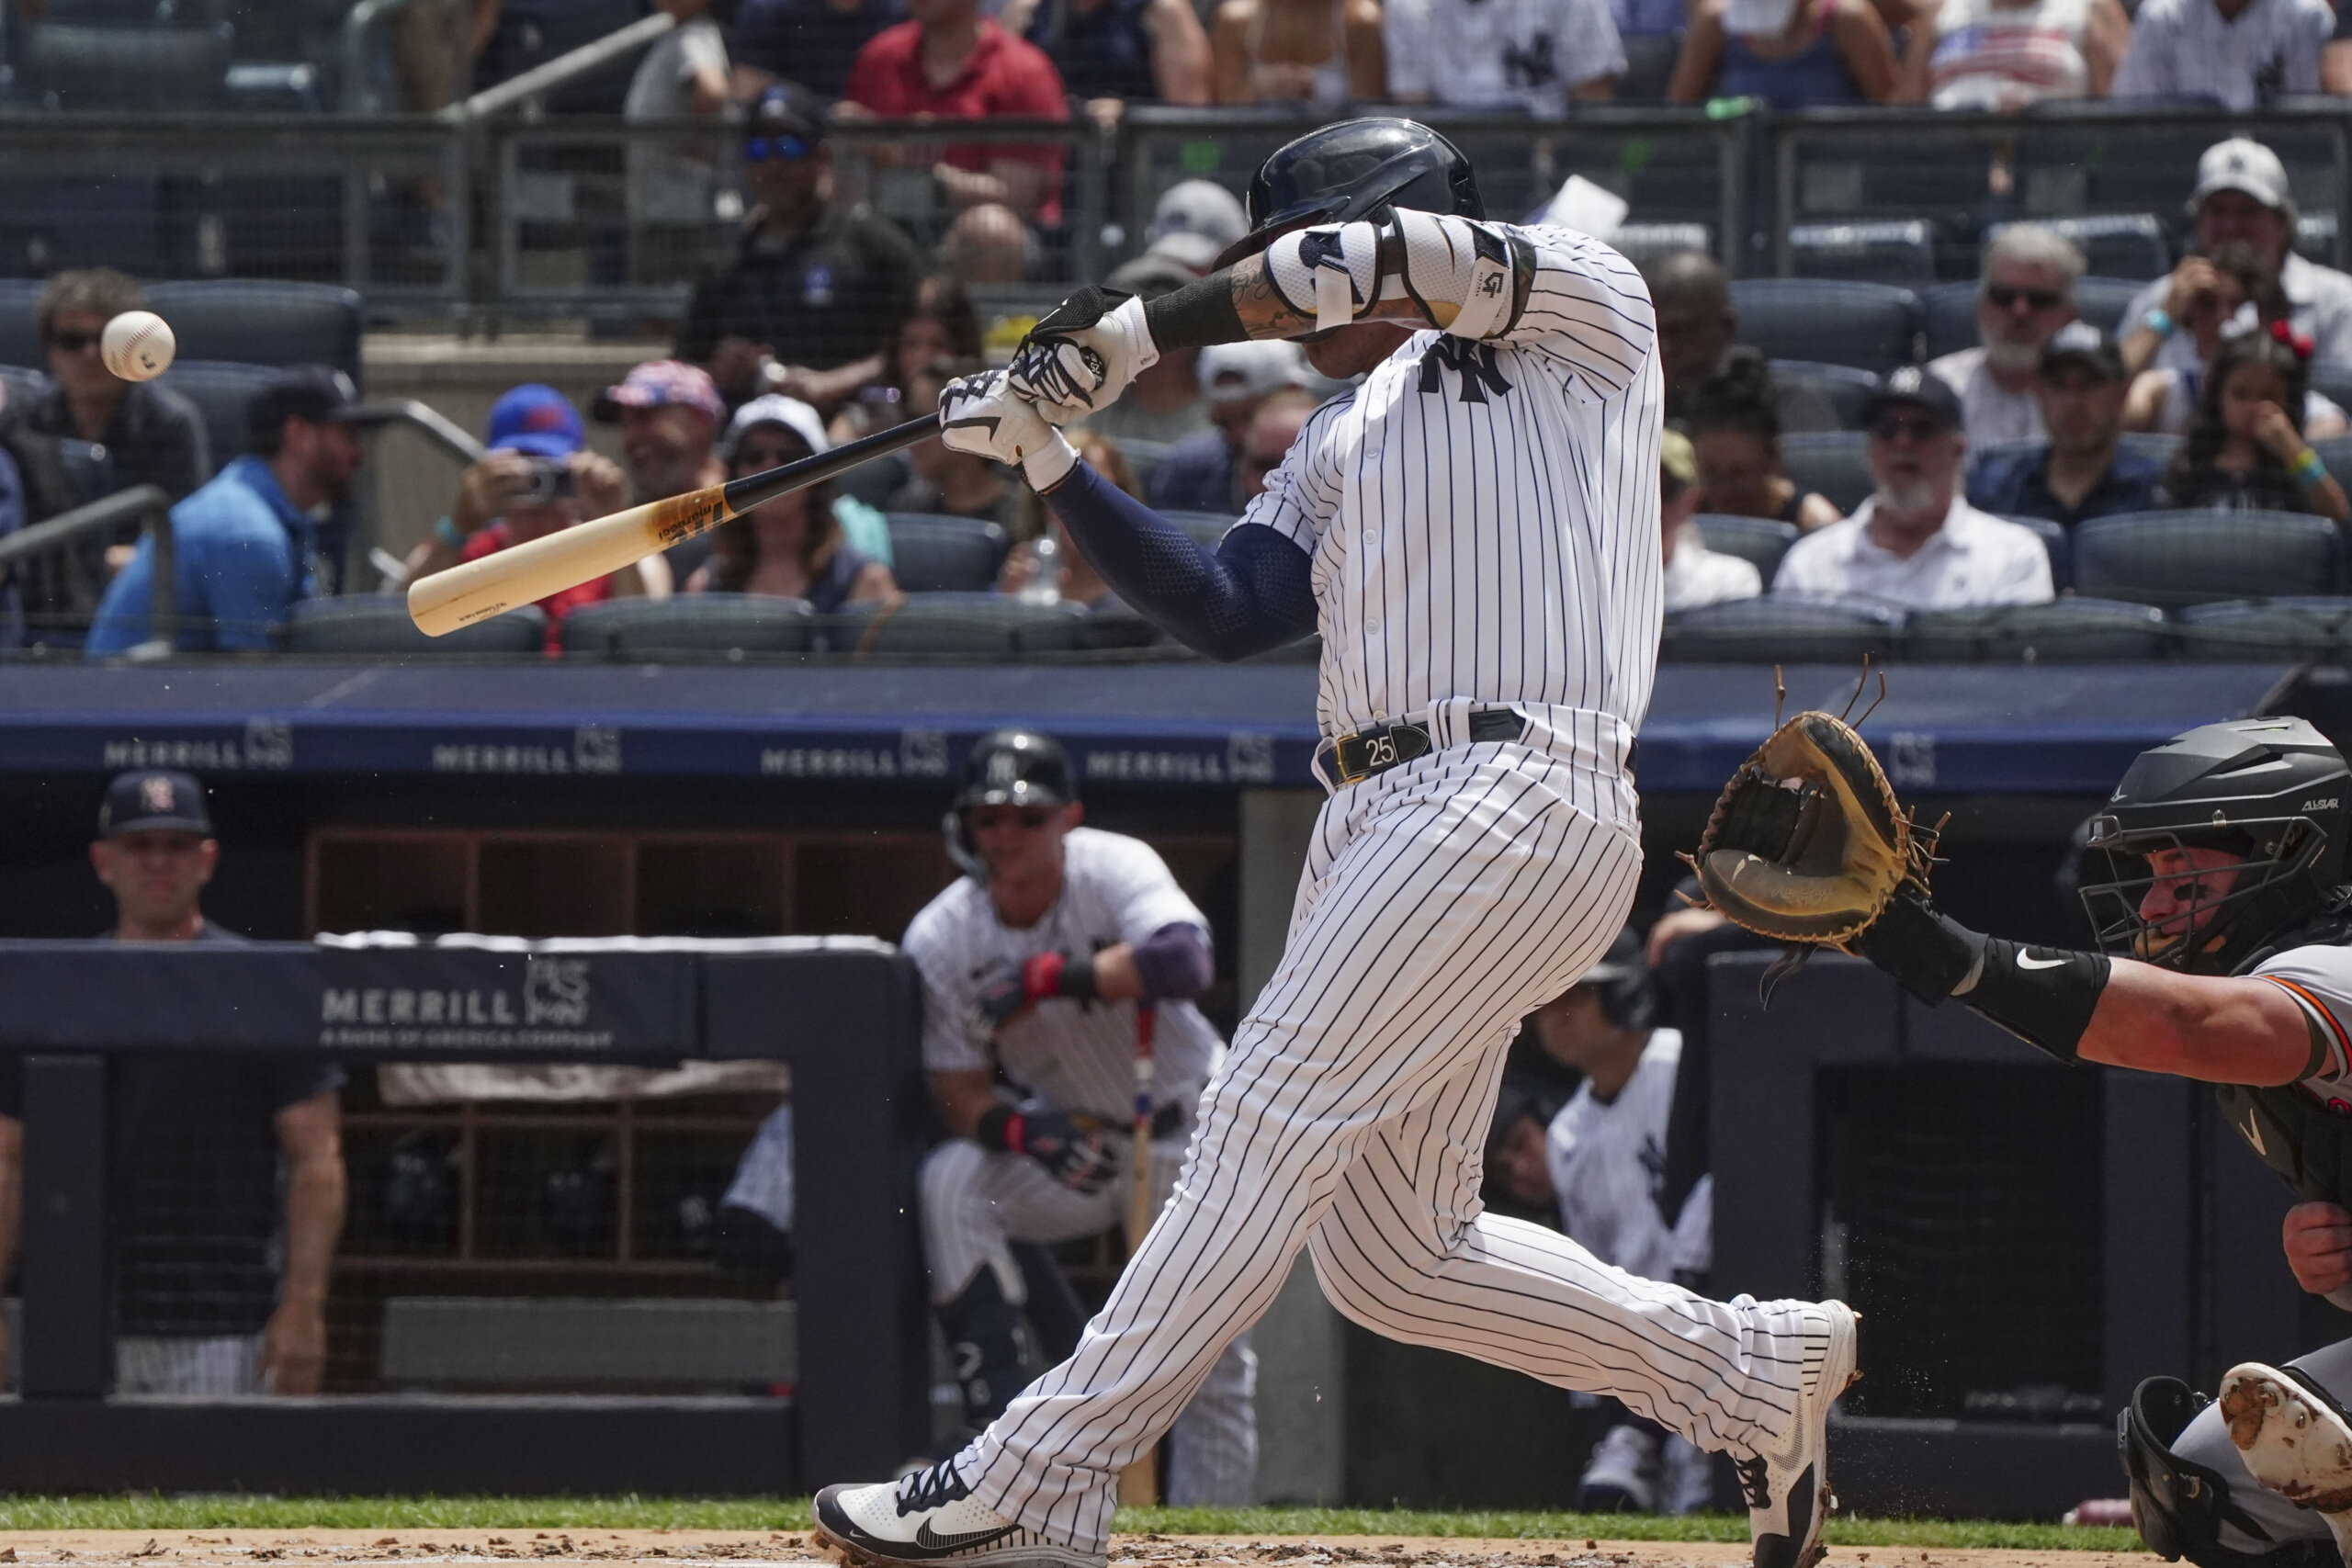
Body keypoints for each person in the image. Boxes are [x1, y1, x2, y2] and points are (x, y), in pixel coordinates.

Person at [819, 115, 1860, 1568]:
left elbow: (1342, 266)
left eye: (1273, 257)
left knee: (1257, 1117)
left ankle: (1043, 1471)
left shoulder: (1583, 306)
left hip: (1508, 786)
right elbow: (1228, 604)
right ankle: (1739, 1372)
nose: (1267, 292)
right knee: (1394, 1253)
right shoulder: (1339, 433)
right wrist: (1056, 454)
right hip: (1382, 811)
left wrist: (1120, 331)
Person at [1794, 716, 2352, 1568]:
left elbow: (2186, 1024)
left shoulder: (2332, 967)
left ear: (2290, 849)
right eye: (2153, 873)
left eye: (2183, 869)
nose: (2157, 902)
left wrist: (1951, 955)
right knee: (2194, 1487)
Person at [901, 730, 1256, 1501]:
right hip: (1075, 1140)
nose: (1006, 835)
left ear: (1068, 818)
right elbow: (959, 1090)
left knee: (1212, 1355)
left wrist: (1051, 975)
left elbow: (1185, 961)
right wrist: (1024, 1131)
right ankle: (997, 1465)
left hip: (1188, 1129)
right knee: (952, 1180)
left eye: (1028, 818)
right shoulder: (943, 934)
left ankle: (1213, 1530)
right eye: (990, 817)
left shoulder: (1110, 864)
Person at [0, 771, 345, 1395]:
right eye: (139, 845)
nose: (158, 861)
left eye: (176, 844)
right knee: (76, 1489)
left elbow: (317, 1156)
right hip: (79, 1321)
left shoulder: (260, 985)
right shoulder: (58, 989)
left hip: (225, 1320)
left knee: (228, 1493)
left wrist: (303, 1305)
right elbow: (7, 1157)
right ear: (103, 861)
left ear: (207, 858)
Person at [1531, 931, 1713, 1517]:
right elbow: (1589, 1272)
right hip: (1641, 1352)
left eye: (1576, 997)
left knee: (1703, 1496)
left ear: (1625, 994)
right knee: (1612, 1498)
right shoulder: (1567, 1133)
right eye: (1546, 1004)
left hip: (1725, 1320)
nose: (1556, 1017)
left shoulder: (1685, 1064)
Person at [85, 368, 389, 657]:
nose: (357, 453)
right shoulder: (249, 536)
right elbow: (254, 688)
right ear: (299, 435)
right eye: (347, 435)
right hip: (124, 706)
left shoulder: (262, 513)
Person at [674, 86, 925, 414]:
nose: (774, 165)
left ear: (823, 157)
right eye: (758, 150)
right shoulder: (725, 263)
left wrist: (836, 382)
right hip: (754, 449)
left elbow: (926, 347)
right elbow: (682, 370)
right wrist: (716, 373)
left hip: (853, 440)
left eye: (789, 148)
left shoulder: (874, 248)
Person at [1773, 366, 2053, 609]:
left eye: (1922, 429)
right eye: (1887, 429)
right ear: (1870, 448)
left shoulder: (2012, 555)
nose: (1903, 443)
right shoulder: (1810, 563)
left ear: (1957, 450)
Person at [401, 384, 646, 650]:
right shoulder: (459, 555)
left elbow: (642, 645)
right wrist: (460, 525)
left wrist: (617, 520)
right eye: (522, 472)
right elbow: (394, 630)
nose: (537, 485)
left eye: (550, 470)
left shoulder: (622, 558)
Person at [2124, 141, 2352, 371]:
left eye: (2248, 211)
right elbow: (2104, 397)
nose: (2231, 227)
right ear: (2200, 224)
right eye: (2217, 212)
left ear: (2282, 224)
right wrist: (2164, 318)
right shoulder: (2157, 301)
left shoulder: (2338, 302)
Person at [844, 0, 1072, 228]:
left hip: (994, 242)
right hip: (883, 227)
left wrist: (921, 170)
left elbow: (1018, 198)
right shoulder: (880, 57)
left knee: (990, 229)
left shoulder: (1023, 70)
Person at [688, 394, 900, 608]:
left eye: (789, 457)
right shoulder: (705, 586)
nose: (770, 468)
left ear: (819, 476)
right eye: (753, 456)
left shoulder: (865, 581)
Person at [2122, 243, 2348, 439]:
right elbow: (2102, 411)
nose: (2223, 320)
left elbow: (2328, 441)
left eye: (2239, 305)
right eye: (2208, 305)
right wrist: (2165, 316)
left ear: (2267, 317)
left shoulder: (2312, 414)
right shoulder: (2162, 393)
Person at [27, 269, 209, 510]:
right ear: (50, 350)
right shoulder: (26, 421)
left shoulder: (171, 423)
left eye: (106, 339)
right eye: (72, 340)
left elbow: (179, 525)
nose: (90, 354)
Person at [1967, 323, 2163, 527]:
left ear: (2122, 393)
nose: (2073, 402)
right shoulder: (1994, 491)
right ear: (2038, 392)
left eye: (2090, 385)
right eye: (2058, 386)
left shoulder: (2159, 494)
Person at [2153, 327, 2352, 523]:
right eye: (2240, 394)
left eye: (2268, 397)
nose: (2252, 408)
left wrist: (2294, 452)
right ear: (2218, 395)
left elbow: (2339, 516)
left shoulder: (2294, 466)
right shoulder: (2191, 463)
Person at [1642, 251, 1840, 434]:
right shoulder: (1632, 406)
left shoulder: (1786, 402)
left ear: (1726, 326)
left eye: (1680, 331)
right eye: (1654, 334)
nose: (1666, 348)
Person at [1926, 225, 2085, 447]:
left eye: (2039, 300)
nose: (2020, 311)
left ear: (2068, 316)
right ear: (1981, 306)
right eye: (2004, 297)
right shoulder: (1937, 389)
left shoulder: (2089, 401)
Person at [624, 0, 732, 279]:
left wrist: (694, 142)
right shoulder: (678, 34)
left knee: (666, 311)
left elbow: (712, 91)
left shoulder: (692, 35)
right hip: (662, 204)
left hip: (678, 206)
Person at [597, 360, 729, 581]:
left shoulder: (752, 513)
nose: (630, 438)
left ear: (700, 419)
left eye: (645, 417)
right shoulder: (627, 519)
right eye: (625, 424)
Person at [1687, 350, 1841, 532]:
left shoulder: (1817, 523)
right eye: (1710, 473)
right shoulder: (1678, 515)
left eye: (1739, 473)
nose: (1723, 490)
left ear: (1772, 457)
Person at [1147, 340, 1306, 512]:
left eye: (1250, 418)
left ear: (1293, 391)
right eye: (1224, 422)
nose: (1239, 434)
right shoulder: (1188, 468)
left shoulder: (1329, 460)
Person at [1383, 0, 1627, 112]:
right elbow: (1417, 114)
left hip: (1551, 167)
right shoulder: (1407, 6)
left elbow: (1596, 109)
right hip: (1452, 174)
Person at [1076, 254, 1215, 446]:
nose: (1150, 339)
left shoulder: (1224, 404)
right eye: (1132, 325)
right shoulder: (1094, 405)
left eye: (1170, 325)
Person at [1668, 0, 1901, 108]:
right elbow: (1680, 110)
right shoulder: (1714, 22)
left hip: (1834, 183)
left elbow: (1890, 108)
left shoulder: (1849, 19)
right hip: (1740, 188)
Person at [2108, 0, 2329, 109]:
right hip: (2184, 178)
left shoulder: (2307, 17)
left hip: (2280, 177)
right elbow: (2136, 125)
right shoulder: (2162, 17)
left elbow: (2316, 133)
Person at [1899, 0, 2130, 106]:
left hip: (2051, 172)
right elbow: (1906, 110)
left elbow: (2121, 112)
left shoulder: (2092, 8)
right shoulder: (1942, 10)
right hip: (1950, 173)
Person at [999, 0, 1215, 108]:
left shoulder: (1163, 12)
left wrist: (1127, 115)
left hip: (1135, 167)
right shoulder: (1026, 13)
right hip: (1052, 161)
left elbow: (1188, 117)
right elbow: (999, 102)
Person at [888, 358, 1020, 526]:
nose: (910, 438)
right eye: (908, 420)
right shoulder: (906, 511)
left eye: (920, 422)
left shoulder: (1022, 519)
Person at [1660, 429, 1761, 611]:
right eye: (1634, 491)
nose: (1654, 506)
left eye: (1665, 489)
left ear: (1692, 498)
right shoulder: (1593, 578)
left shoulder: (1728, 581)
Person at [1209, 0, 1385, 104]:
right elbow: (1228, 104)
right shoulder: (1234, 19)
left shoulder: (1362, 21)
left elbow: (1367, 118)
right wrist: (1261, 88)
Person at [731, 0, 908, 99]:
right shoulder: (767, 11)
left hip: (875, 147)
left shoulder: (903, 11)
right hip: (793, 148)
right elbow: (747, 98)